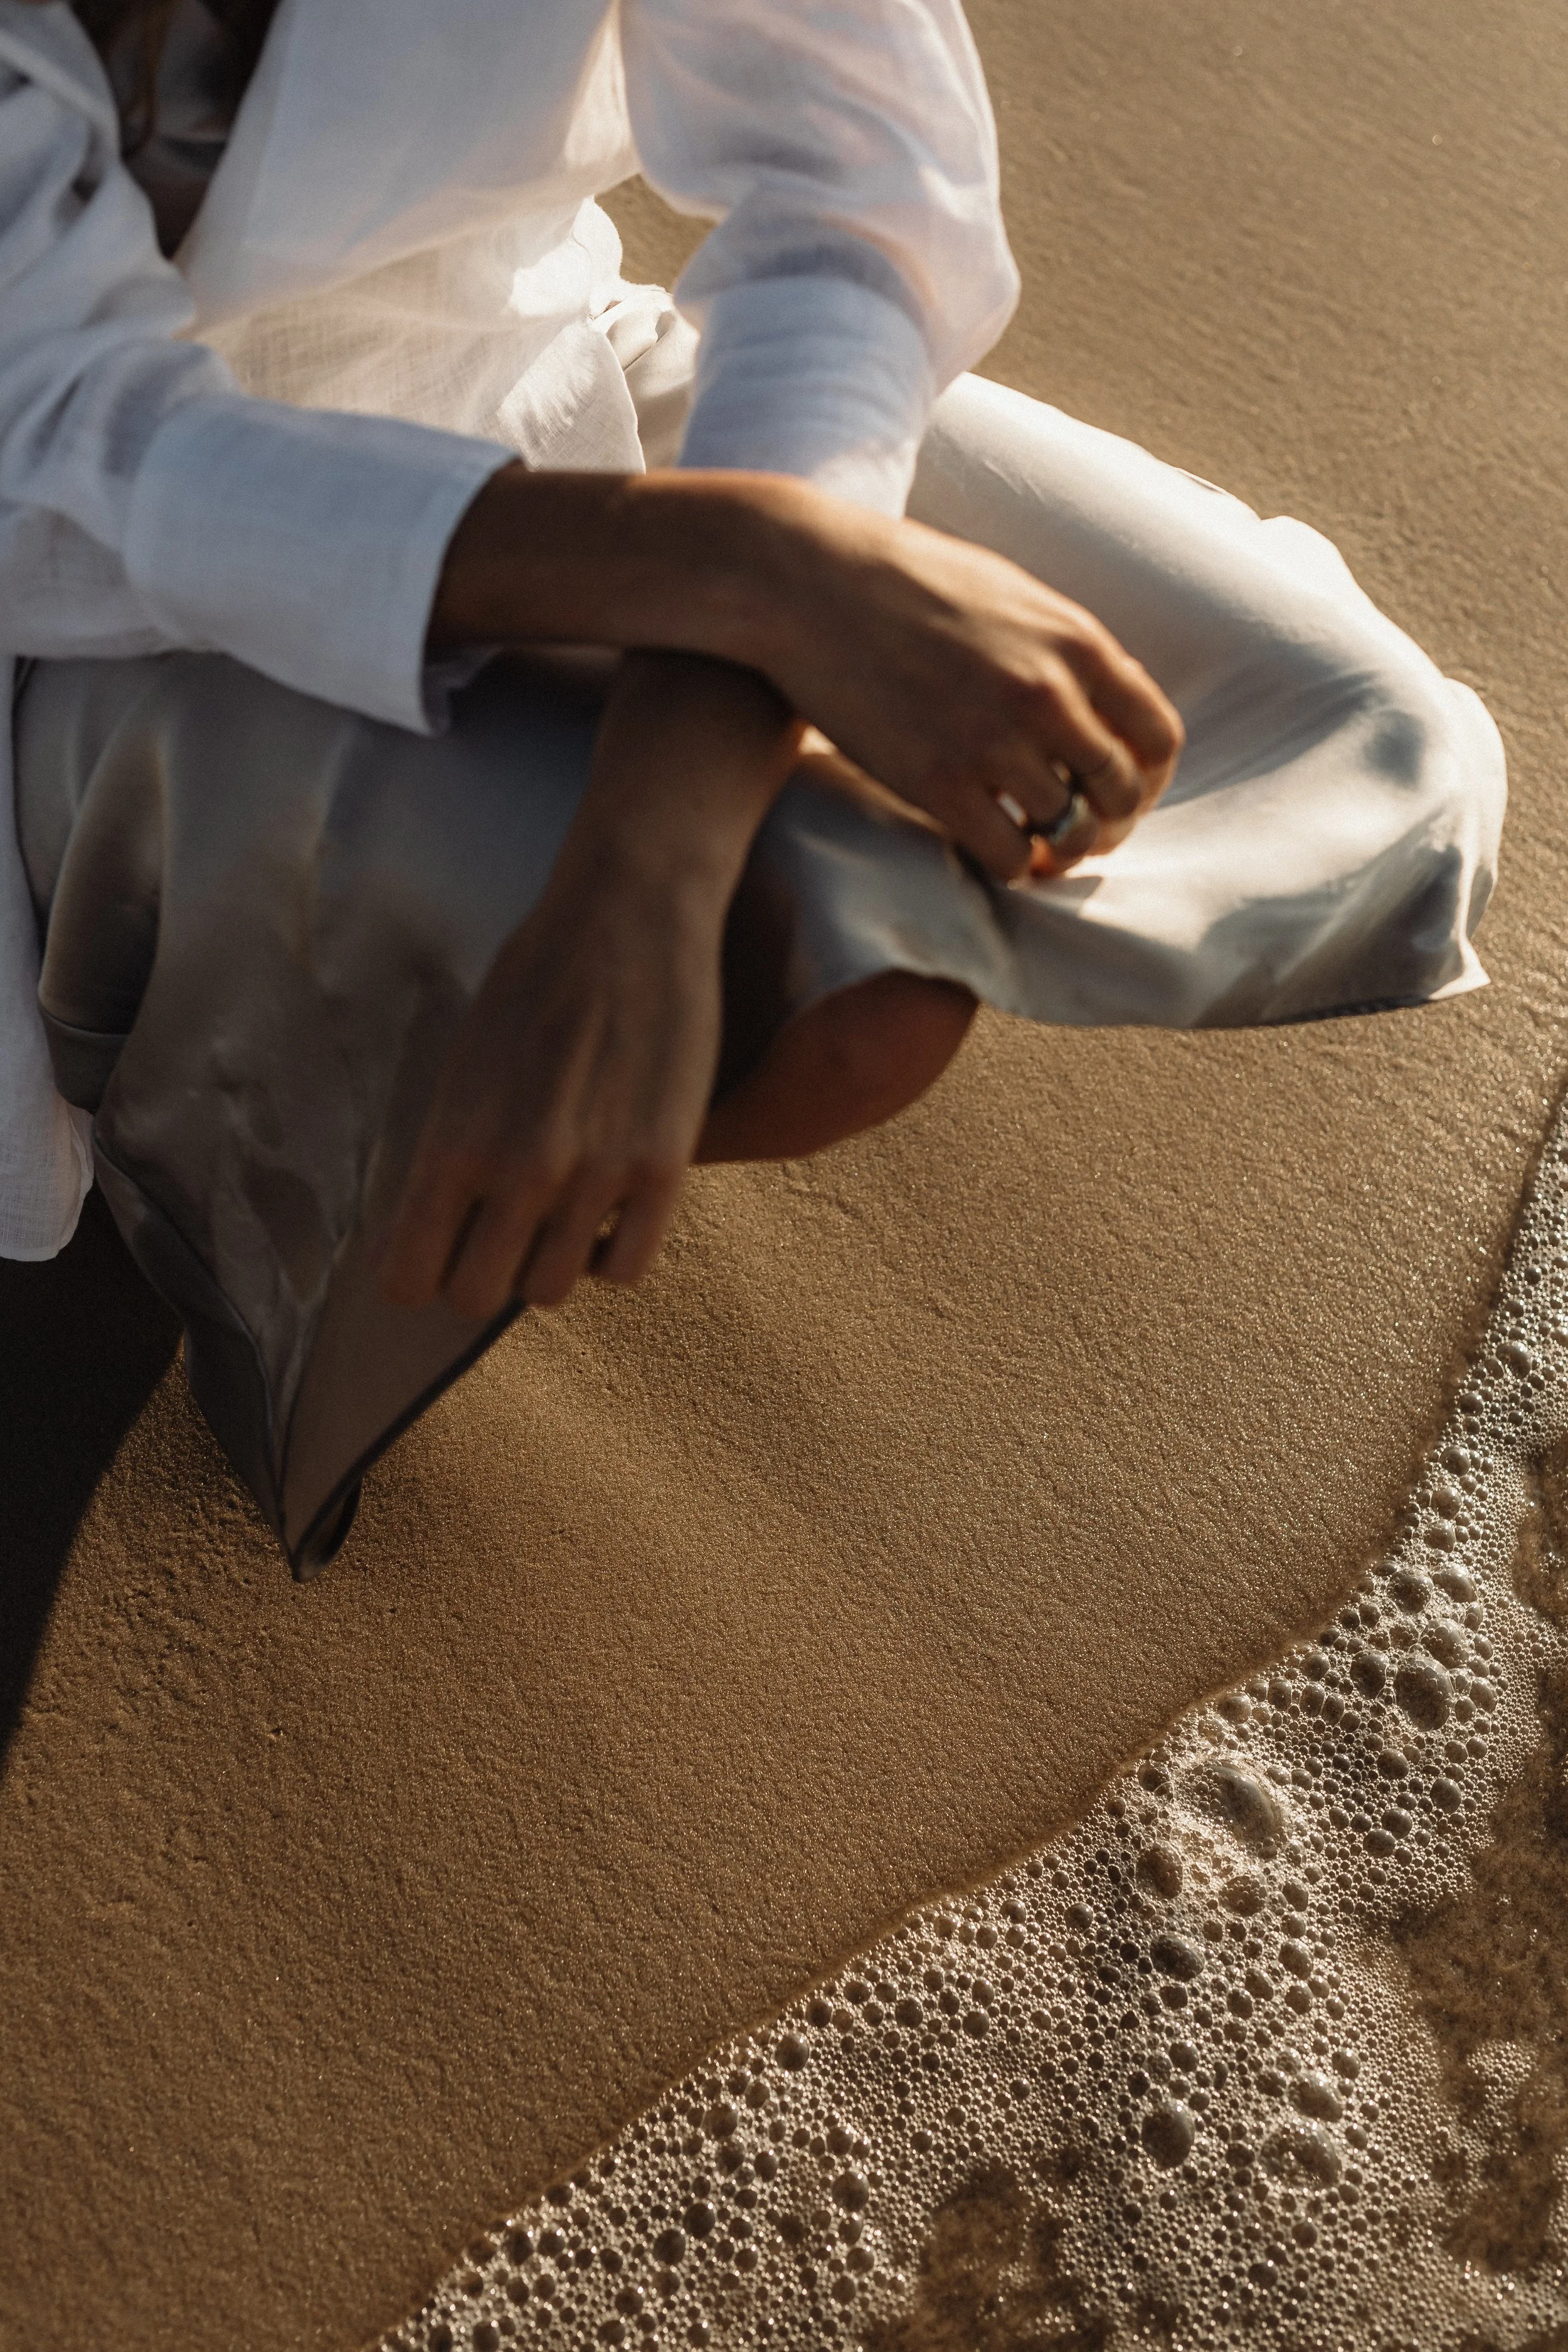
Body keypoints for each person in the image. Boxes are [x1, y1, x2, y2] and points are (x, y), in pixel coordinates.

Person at [0, 0, 1505, 1572]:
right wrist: (752, 570)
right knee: (824, 984)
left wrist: (649, 848)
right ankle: (248, 1060)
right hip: (99, 603)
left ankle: (424, 999)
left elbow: (850, 194)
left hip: (524, 377)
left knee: (1355, 738)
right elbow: (48, 446)